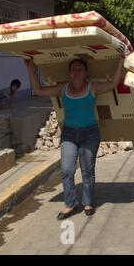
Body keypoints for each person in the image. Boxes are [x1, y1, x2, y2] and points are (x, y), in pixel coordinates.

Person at [24, 57, 125, 219]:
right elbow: (38, 91)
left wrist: (120, 63)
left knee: (87, 170)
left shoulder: (93, 87)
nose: (76, 72)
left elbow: (113, 84)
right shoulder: (62, 89)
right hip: (69, 134)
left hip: (90, 134)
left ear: (85, 73)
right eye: (73, 70)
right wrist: (30, 68)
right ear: (69, 74)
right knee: (67, 170)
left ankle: (88, 202)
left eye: (80, 69)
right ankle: (70, 204)